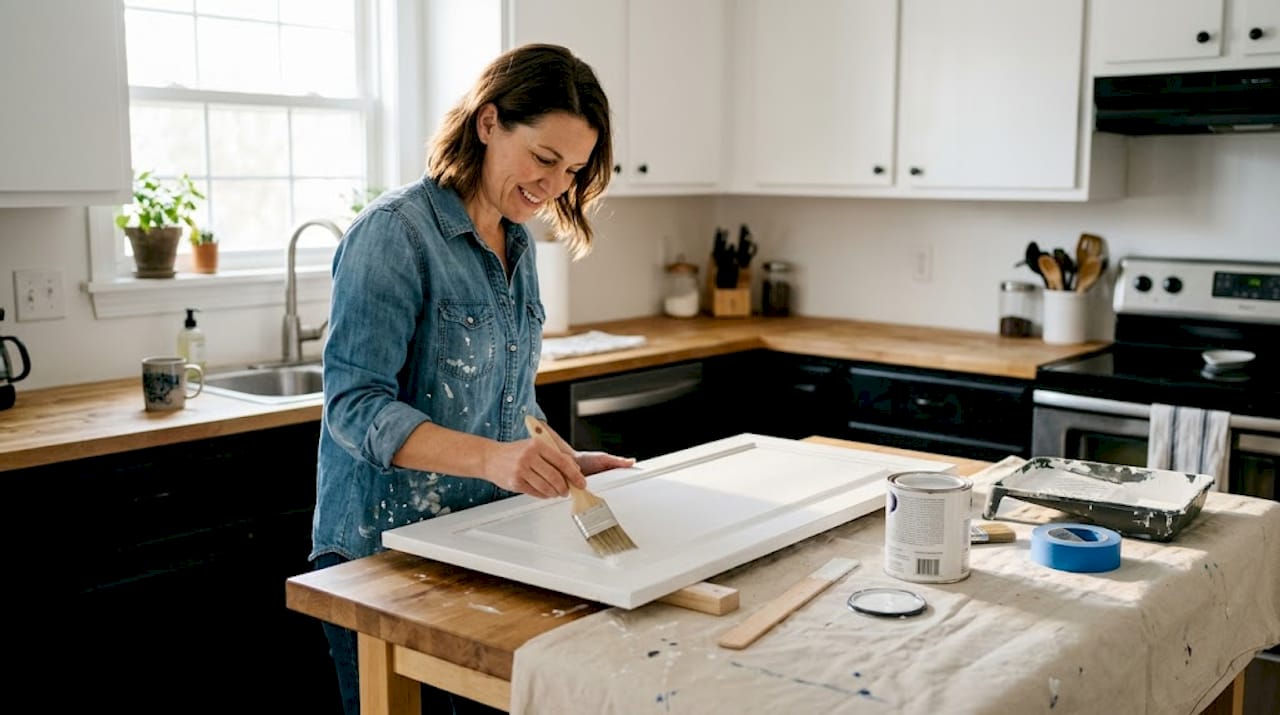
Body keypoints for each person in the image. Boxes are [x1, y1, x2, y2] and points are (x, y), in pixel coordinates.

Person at [309, 43, 633, 715]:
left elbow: (506, 399)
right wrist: (496, 460)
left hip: (477, 546)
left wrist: (557, 463)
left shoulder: (518, 244)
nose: (554, 186)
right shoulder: (393, 236)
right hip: (379, 558)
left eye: (571, 170)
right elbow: (354, 406)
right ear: (488, 123)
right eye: (544, 158)